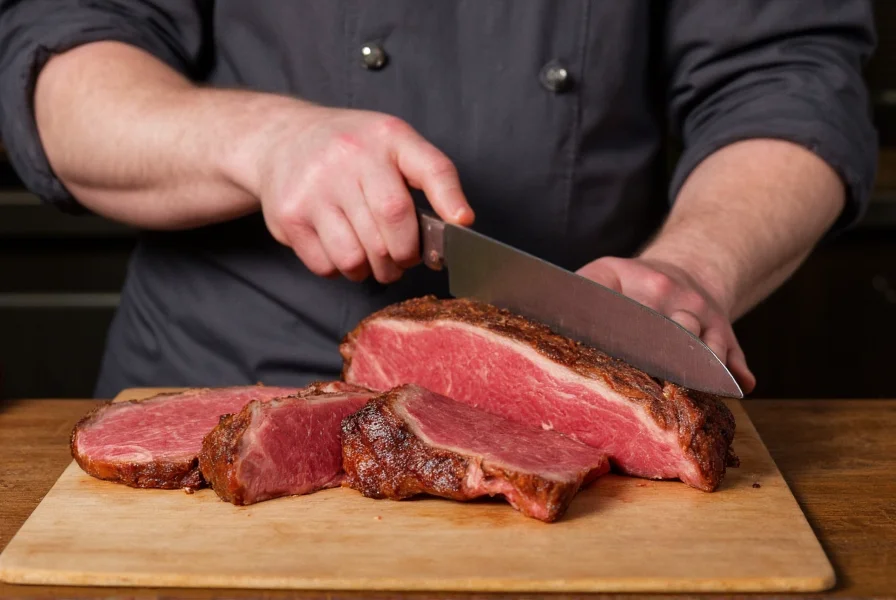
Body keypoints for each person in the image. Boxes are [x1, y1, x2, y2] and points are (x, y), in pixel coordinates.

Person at [0, 1, 877, 398]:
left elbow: (789, 80)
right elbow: (63, 66)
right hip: (226, 382)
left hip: (574, 388)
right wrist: (262, 141)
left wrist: (695, 267)